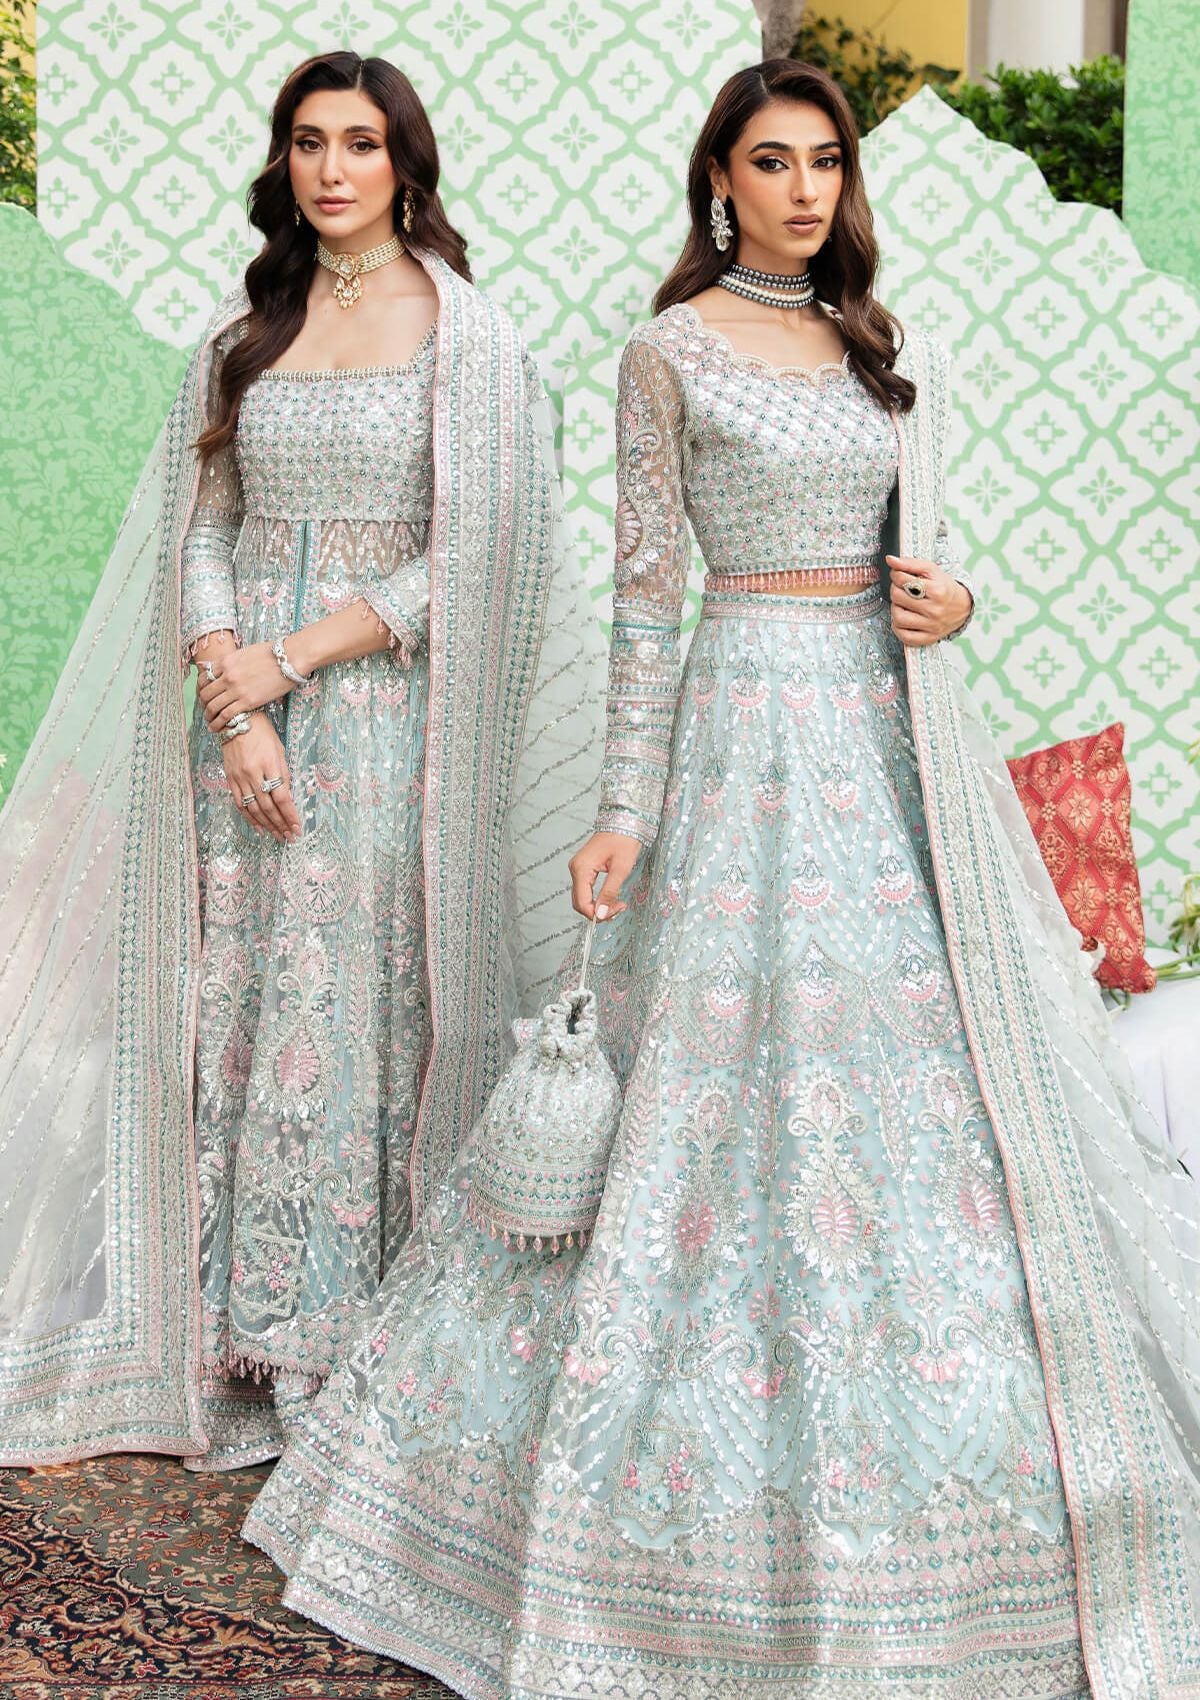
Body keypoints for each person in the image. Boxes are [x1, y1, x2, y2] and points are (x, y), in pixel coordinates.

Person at [244, 61, 1200, 1698]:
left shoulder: (881, 346)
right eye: (773, 162)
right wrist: (623, 810)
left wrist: (952, 606)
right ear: (721, 182)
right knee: (712, 1087)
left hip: (885, 751)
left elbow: (919, 557)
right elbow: (644, 603)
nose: (806, 189)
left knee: (922, 1090)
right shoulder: (667, 354)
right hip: (740, 730)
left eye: (826, 161)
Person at [0, 51, 599, 1471]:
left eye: (362, 142)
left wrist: (296, 658)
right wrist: (235, 699)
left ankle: (342, 1343)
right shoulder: (245, 333)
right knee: (231, 1006)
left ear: (407, 163)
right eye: (310, 141)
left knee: (359, 1015)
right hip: (239, 742)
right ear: (284, 161)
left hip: (390, 734)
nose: (334, 168)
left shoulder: (470, 340)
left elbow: (482, 552)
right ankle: (222, 1331)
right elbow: (202, 525)